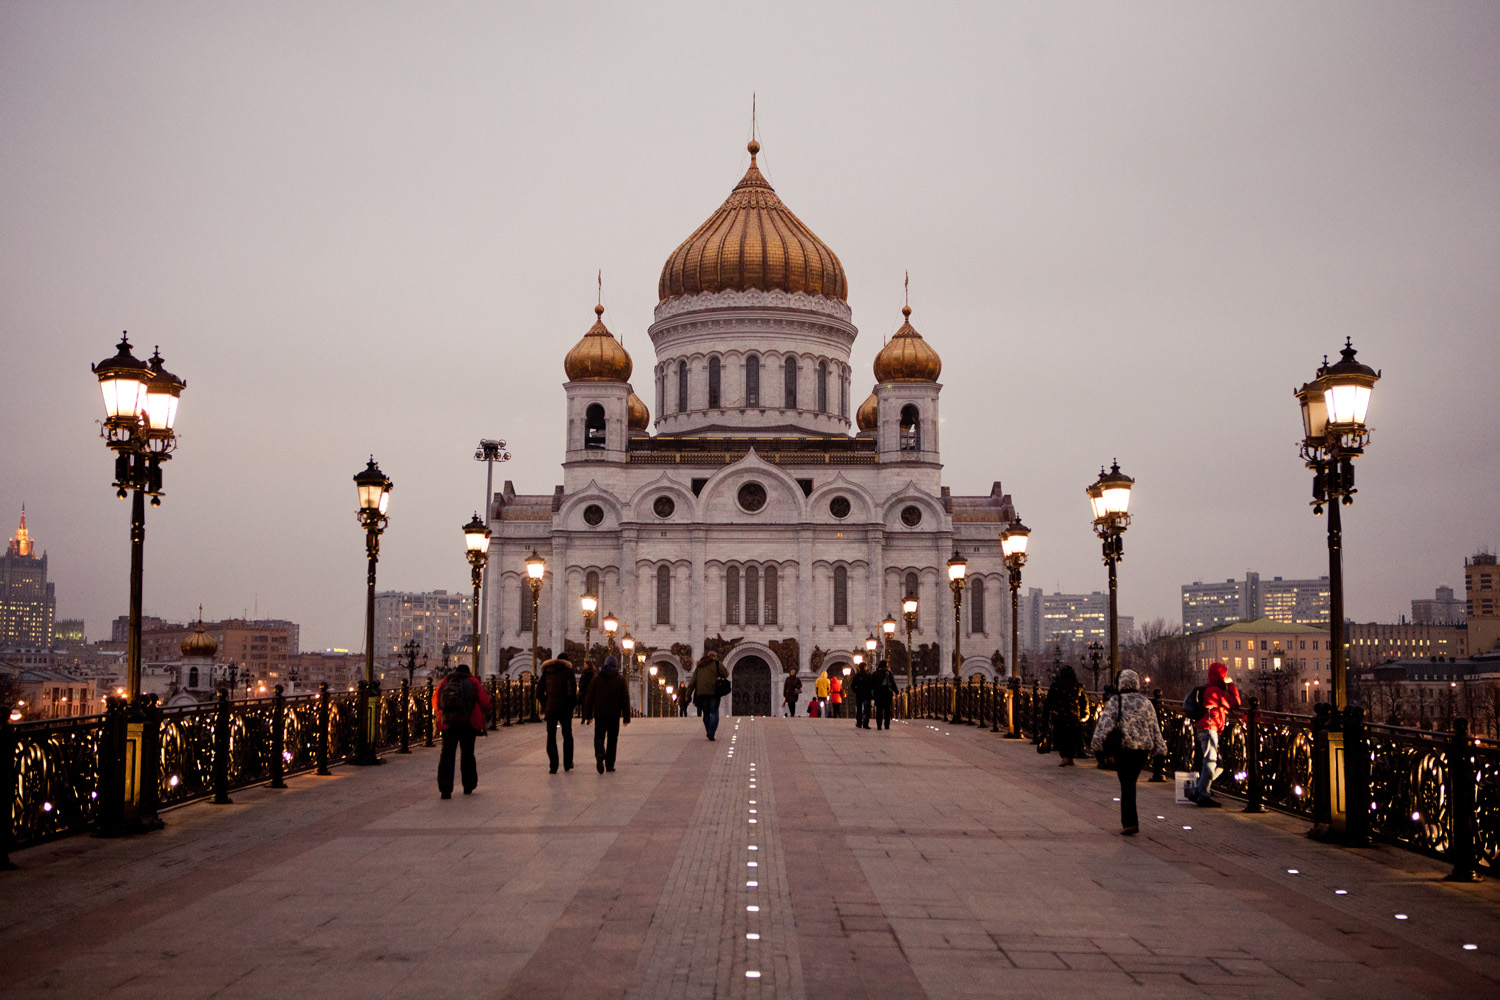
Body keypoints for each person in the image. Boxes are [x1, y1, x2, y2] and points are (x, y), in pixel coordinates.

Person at [1089, 668, 1166, 835]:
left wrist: (1096, 745)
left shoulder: (1117, 701)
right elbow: (1154, 727)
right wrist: (1160, 749)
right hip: (1142, 750)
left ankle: (1130, 823)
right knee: (1130, 782)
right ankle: (1130, 822)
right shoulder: (1146, 702)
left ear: (1121, 683)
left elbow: (1104, 724)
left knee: (1127, 784)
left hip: (1124, 748)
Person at [433, 664, 492, 799]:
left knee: (447, 754)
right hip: (468, 723)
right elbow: (485, 702)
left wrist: (444, 714)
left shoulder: (446, 681)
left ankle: (445, 789)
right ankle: (468, 785)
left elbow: (436, 701)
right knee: (467, 754)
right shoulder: (473, 682)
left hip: (448, 724)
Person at [1191, 661, 1242, 807]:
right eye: (1224, 675)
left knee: (1217, 765)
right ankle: (1202, 794)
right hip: (1209, 728)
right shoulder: (1214, 692)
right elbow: (1235, 702)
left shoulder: (1210, 689)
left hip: (1208, 728)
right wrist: (1231, 685)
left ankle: (1199, 790)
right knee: (1210, 763)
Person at [583, 654, 630, 772]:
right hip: (614, 715)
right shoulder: (620, 680)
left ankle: (599, 753)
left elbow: (589, 698)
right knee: (612, 739)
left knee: (599, 737)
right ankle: (609, 765)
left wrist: (588, 716)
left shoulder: (596, 678)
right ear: (616, 666)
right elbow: (625, 699)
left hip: (600, 714)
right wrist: (626, 717)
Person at [537, 656, 578, 773]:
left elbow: (539, 692)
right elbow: (572, 692)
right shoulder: (568, 672)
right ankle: (567, 763)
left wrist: (546, 704)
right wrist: (571, 706)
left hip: (551, 709)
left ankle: (553, 766)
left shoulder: (546, 672)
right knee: (567, 736)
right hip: (565, 709)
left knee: (551, 736)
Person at [1044, 665, 1087, 766]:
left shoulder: (1055, 686)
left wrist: (1046, 717)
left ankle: (1065, 757)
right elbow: (1083, 702)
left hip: (1059, 717)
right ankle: (1070, 757)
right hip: (1074, 716)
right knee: (1072, 737)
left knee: (1062, 736)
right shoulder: (1077, 686)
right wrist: (1084, 715)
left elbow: (1048, 702)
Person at [691, 653, 730, 740]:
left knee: (706, 713)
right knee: (714, 712)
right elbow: (726, 674)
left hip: (702, 693)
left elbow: (692, 681)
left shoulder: (699, 666)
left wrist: (688, 694)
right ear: (715, 657)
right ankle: (711, 732)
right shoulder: (716, 664)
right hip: (714, 692)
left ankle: (709, 730)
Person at [871, 659, 897, 730]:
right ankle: (886, 725)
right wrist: (896, 691)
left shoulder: (875, 674)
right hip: (887, 693)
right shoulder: (888, 673)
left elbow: (871, 684)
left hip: (878, 694)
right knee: (887, 710)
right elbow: (893, 683)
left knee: (879, 710)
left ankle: (879, 725)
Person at [851, 661, 873, 729]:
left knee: (859, 708)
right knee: (866, 709)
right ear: (864, 667)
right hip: (867, 694)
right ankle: (865, 723)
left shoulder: (856, 675)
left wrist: (856, 691)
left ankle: (859, 722)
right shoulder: (868, 675)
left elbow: (853, 685)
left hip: (859, 694)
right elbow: (871, 685)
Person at [577, 661, 596, 725]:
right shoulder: (584, 672)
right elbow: (581, 681)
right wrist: (580, 686)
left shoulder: (591, 673)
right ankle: (583, 718)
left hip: (588, 691)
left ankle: (588, 718)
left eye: (585, 664)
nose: (584, 665)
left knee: (588, 705)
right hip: (583, 691)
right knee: (583, 705)